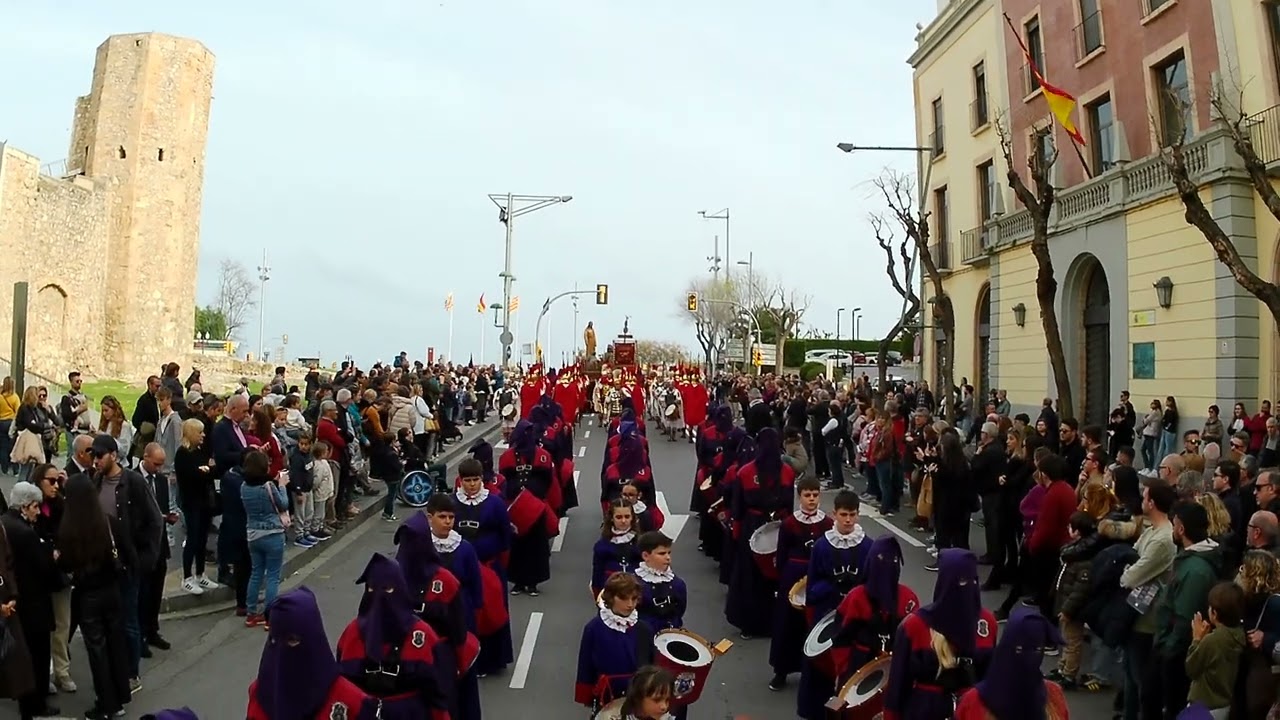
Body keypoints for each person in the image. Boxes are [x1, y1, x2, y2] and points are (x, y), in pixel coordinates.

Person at [883, 549, 998, 720]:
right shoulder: (914, 626)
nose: (969, 587)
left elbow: (991, 681)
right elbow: (897, 687)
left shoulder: (987, 623)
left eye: (974, 580)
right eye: (962, 581)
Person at [335, 553, 452, 720]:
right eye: (372, 589)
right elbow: (342, 687)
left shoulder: (422, 635)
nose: (379, 597)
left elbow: (438, 690)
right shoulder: (352, 633)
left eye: (388, 589)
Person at [89, 431, 162, 695]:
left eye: (99, 455)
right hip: (104, 565)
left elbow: (156, 520)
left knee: (129, 620)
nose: (96, 460)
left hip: (129, 564)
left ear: (113, 455)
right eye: (93, 455)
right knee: (109, 621)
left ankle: (131, 673)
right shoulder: (94, 481)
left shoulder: (132, 482)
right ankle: (114, 669)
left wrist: (145, 560)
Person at [57, 473, 132, 720]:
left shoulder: (69, 530)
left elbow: (66, 565)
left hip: (88, 595)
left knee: (97, 650)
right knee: (115, 644)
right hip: (112, 590)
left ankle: (106, 702)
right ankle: (121, 695)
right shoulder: (108, 522)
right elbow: (127, 552)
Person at [393, 512, 481, 720]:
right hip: (402, 666)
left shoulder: (445, 581)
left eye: (414, 541)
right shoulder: (391, 578)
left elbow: (458, 631)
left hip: (439, 661)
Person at [247, 587, 381, 720]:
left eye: (292, 640)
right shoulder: (259, 694)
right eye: (274, 639)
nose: (281, 649)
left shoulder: (350, 701)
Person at [797, 489, 872, 718]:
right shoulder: (822, 546)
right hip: (827, 612)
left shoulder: (867, 545)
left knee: (853, 665)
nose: (848, 520)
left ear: (858, 515)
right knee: (821, 666)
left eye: (852, 515)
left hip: (856, 617)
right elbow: (812, 589)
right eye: (843, 515)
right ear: (834, 514)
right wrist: (833, 586)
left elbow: (872, 584)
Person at [727, 428, 795, 638]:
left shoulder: (745, 472)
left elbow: (737, 507)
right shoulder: (787, 472)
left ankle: (750, 624)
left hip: (752, 525)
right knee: (777, 575)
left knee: (750, 576)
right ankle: (776, 621)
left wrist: (737, 533)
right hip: (779, 525)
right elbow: (790, 505)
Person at [2, 481, 60, 720]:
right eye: (36, 507)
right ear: (25, 507)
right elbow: (43, 565)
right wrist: (51, 555)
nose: (38, 511)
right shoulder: (25, 533)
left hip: (18, 602)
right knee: (37, 656)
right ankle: (35, 705)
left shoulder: (5, 523)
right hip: (33, 603)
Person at [451, 458, 514, 676]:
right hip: (460, 572)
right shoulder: (453, 503)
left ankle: (492, 660)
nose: (471, 485)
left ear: (482, 480)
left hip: (490, 567)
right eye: (467, 480)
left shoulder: (495, 502)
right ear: (460, 480)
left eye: (475, 480)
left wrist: (497, 564)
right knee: (466, 615)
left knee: (492, 614)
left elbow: (505, 535)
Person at [830, 535, 920, 688]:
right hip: (858, 669)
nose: (887, 567)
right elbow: (841, 638)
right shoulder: (856, 597)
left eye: (893, 562)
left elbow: (915, 642)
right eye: (880, 561)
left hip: (894, 671)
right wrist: (845, 671)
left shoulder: (908, 599)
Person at [769, 476, 832, 691]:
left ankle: (814, 671)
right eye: (807, 495)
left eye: (815, 495)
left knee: (814, 624)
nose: (812, 499)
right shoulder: (789, 524)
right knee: (787, 624)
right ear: (800, 497)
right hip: (792, 577)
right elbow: (781, 553)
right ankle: (781, 671)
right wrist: (783, 581)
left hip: (818, 578)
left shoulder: (827, 524)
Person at [954, 608, 1069, 719]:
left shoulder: (1054, 696)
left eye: (1037, 649)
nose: (1029, 657)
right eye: (1020, 649)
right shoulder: (973, 702)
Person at [575, 572, 657, 712]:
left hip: (637, 695)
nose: (630, 604)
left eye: (634, 599)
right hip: (607, 694)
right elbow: (585, 664)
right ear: (611, 597)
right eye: (624, 598)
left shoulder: (644, 628)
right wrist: (586, 695)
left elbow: (652, 663)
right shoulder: (594, 628)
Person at [498, 420, 556, 595]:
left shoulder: (543, 455)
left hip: (536, 507)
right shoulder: (507, 457)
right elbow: (504, 480)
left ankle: (533, 582)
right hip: (515, 506)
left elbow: (548, 480)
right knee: (517, 545)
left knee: (536, 545)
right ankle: (517, 581)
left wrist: (535, 495)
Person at [240, 449, 290, 628]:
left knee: (256, 573)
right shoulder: (268, 486)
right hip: (272, 533)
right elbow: (283, 504)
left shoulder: (244, 487)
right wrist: (282, 485)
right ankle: (270, 616)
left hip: (253, 534)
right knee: (273, 576)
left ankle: (251, 613)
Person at [1186, 581, 1247, 719]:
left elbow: (1191, 668)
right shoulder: (1239, 634)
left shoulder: (1212, 641)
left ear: (1214, 613)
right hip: (1223, 706)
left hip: (1203, 706)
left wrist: (1196, 639)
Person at [175, 418, 219, 594]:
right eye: (200, 432)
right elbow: (193, 476)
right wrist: (206, 470)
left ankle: (200, 574)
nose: (203, 435)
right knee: (192, 539)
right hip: (191, 503)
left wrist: (206, 470)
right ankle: (187, 577)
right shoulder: (182, 454)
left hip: (204, 501)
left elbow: (212, 471)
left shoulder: (200, 451)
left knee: (202, 539)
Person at [634, 530, 687, 632]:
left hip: (670, 636)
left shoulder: (678, 584)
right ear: (645, 556)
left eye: (669, 553)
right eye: (661, 553)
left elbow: (680, 611)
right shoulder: (634, 583)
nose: (667, 557)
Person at [593, 499, 642, 597]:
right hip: (611, 592)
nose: (623, 521)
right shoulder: (602, 545)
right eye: (619, 517)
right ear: (612, 518)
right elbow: (597, 574)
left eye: (627, 517)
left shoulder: (641, 542)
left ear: (632, 517)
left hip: (636, 592)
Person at [594, 665, 676, 720]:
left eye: (667, 700)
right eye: (656, 700)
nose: (664, 707)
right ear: (638, 697)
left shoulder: (665, 718)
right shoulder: (611, 716)